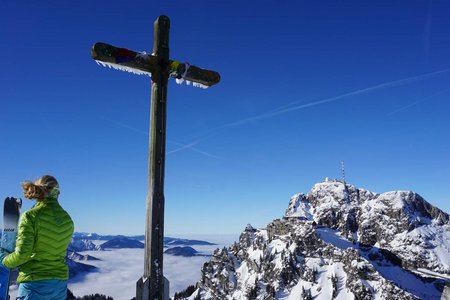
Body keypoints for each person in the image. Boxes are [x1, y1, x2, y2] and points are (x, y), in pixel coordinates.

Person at [0, 175, 74, 300]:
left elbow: (22, 255)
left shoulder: (30, 216)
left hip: (34, 285)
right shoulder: (68, 220)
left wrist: (4, 259)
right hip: (60, 285)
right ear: (57, 193)